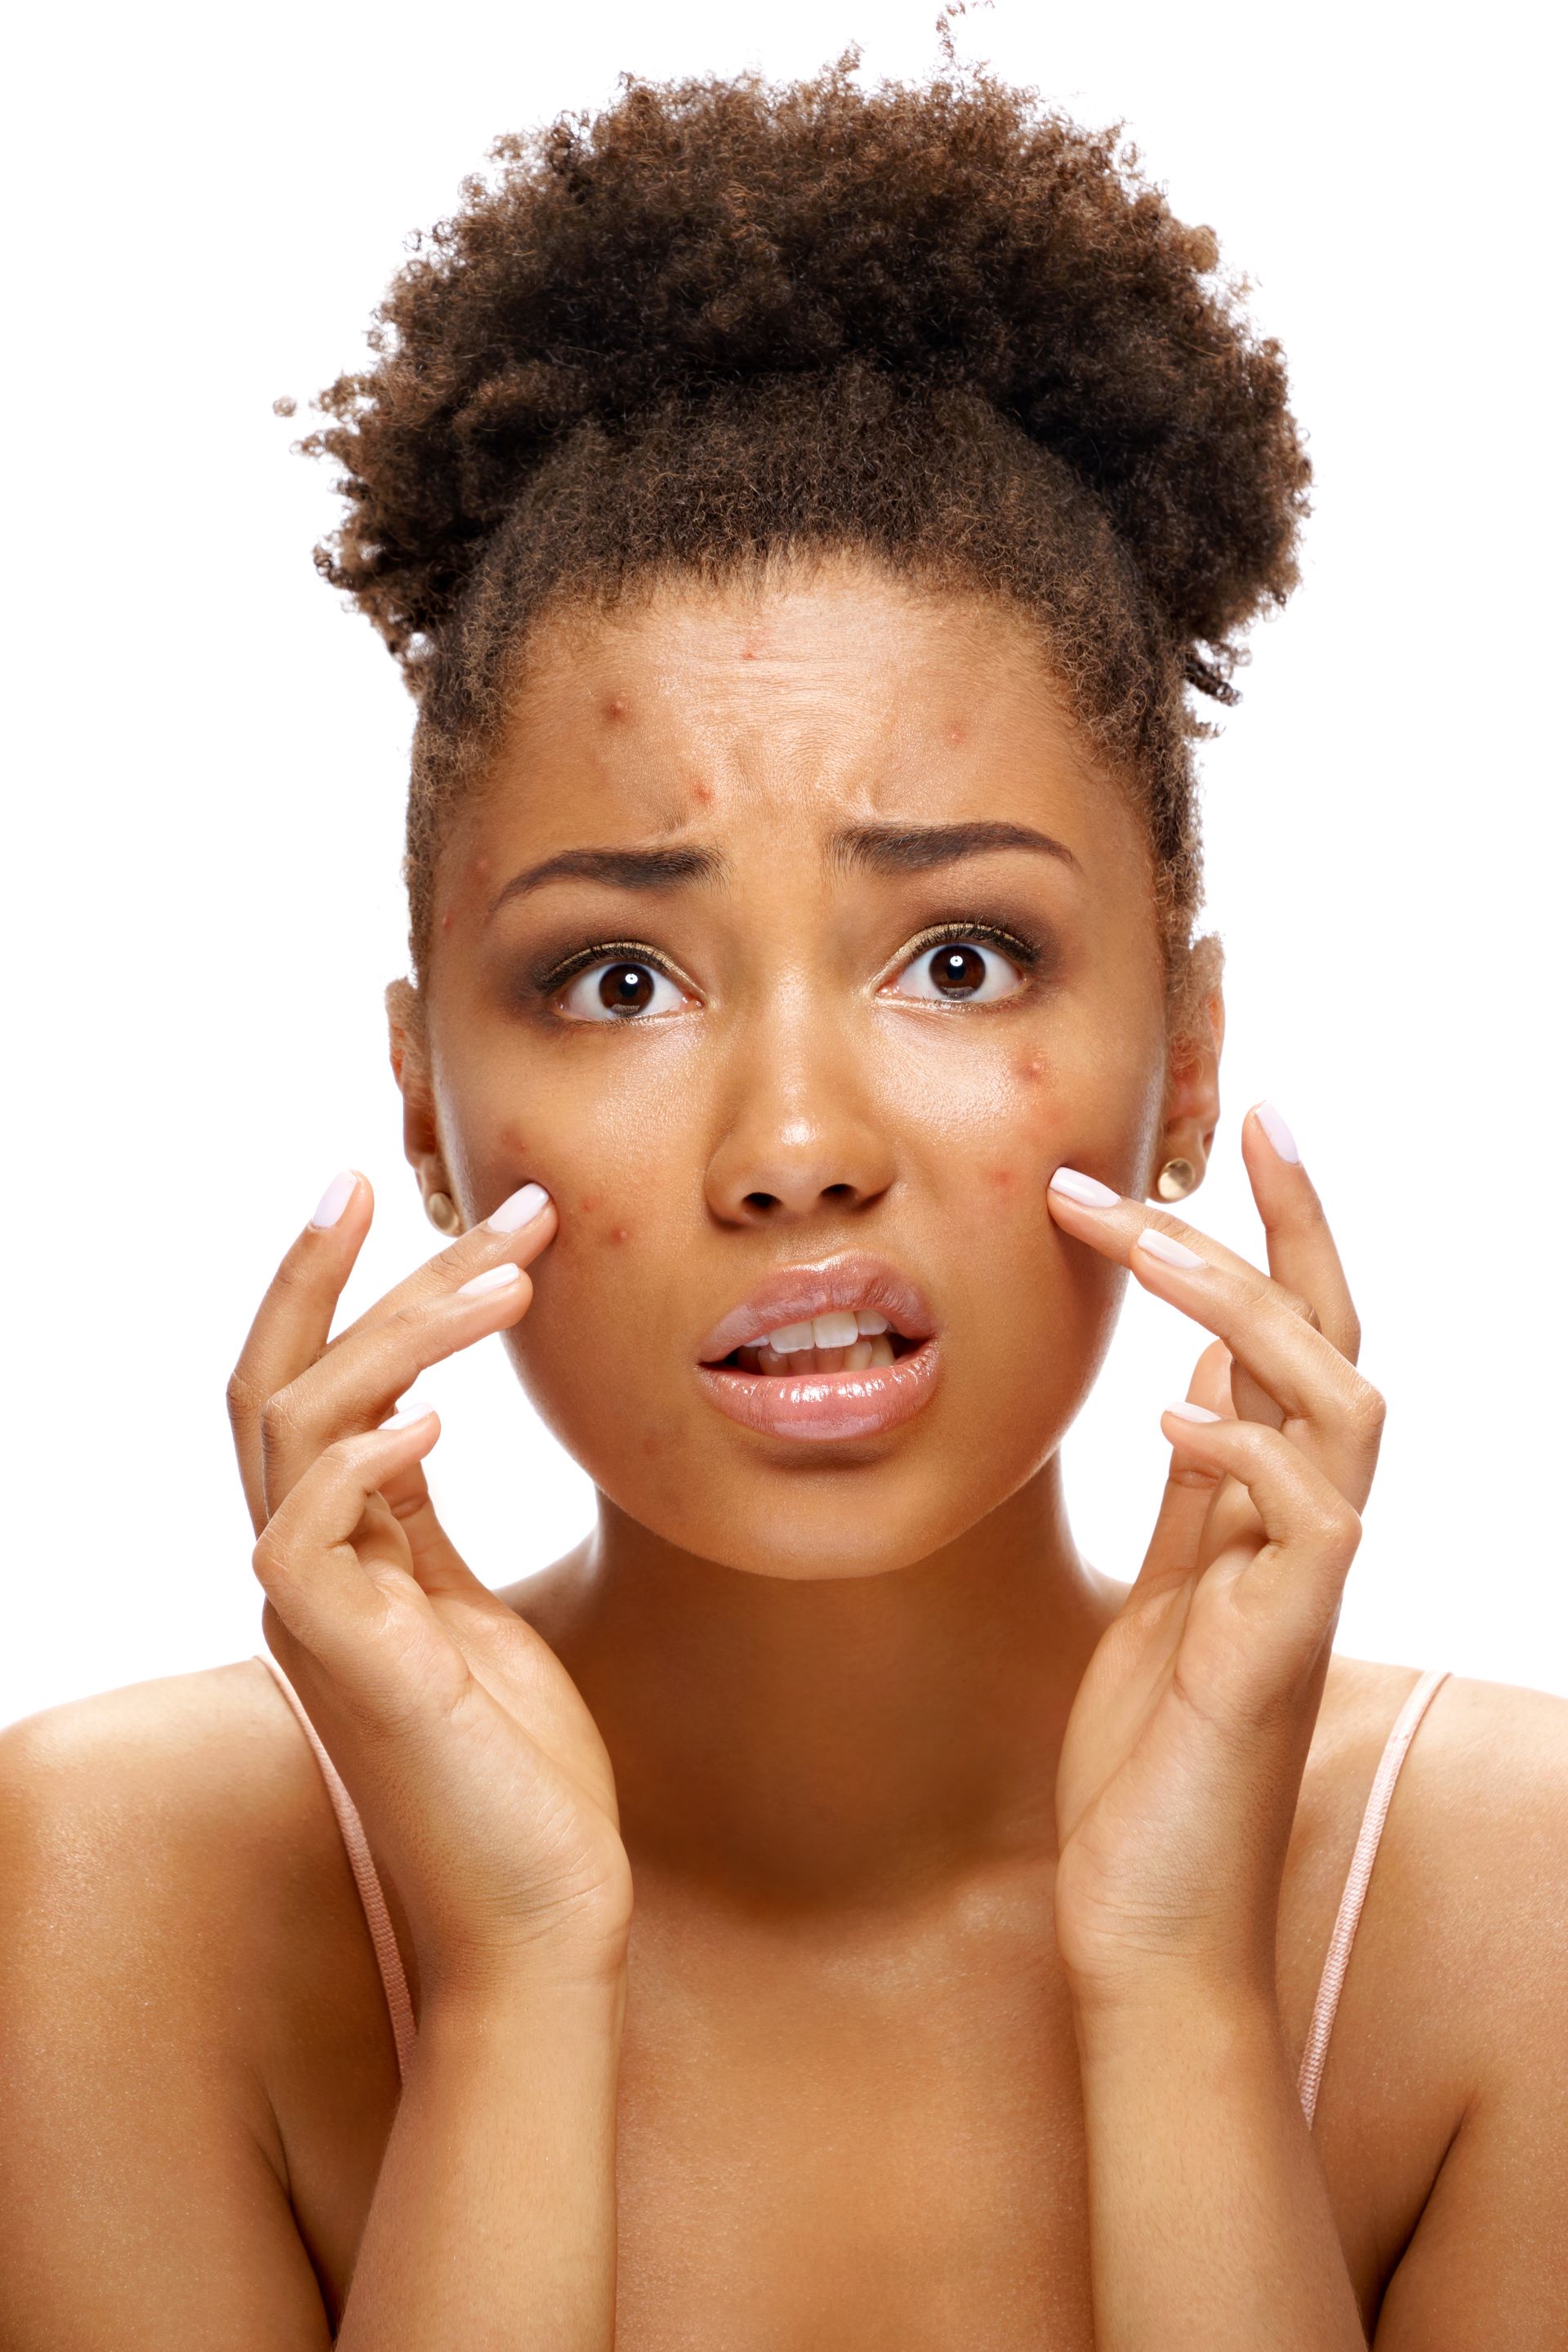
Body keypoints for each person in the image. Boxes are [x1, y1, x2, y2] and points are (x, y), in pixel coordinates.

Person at [2, 60, 1564, 2350]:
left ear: (1187, 1063)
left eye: (959, 957)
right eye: (617, 978)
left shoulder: (1505, 1911)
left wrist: (1177, 1990)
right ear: (428, 1098)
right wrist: (523, 1983)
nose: (797, 1140)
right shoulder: (121, 1896)